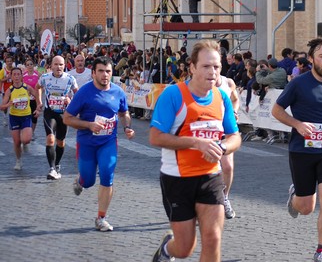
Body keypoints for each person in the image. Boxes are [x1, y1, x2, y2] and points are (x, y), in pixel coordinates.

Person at [149, 39, 241, 262]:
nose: (213, 72)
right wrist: (196, 143)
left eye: (217, 67)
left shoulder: (221, 98)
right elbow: (155, 137)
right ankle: (167, 250)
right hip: (177, 179)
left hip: (210, 177)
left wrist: (223, 147)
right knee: (184, 248)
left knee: (213, 238)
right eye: (206, 66)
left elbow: (235, 136)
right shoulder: (173, 95)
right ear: (192, 67)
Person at [271, 37, 322, 262]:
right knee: (306, 207)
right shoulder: (299, 83)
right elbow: (276, 110)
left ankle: (320, 250)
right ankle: (295, 195)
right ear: (311, 59)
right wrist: (297, 124)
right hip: (302, 150)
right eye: (321, 56)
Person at [63, 56, 134, 232]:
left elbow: (124, 113)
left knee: (107, 175)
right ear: (93, 73)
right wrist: (89, 125)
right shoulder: (84, 93)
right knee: (88, 181)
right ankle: (80, 180)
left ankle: (101, 218)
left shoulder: (118, 92)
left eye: (108, 71)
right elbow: (67, 118)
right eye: (101, 71)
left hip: (108, 142)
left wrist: (127, 127)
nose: (105, 75)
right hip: (87, 142)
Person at [36, 56, 79, 180]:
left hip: (64, 114)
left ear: (65, 65)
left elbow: (78, 95)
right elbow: (37, 87)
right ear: (52, 65)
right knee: (50, 138)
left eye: (61, 64)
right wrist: (39, 102)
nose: (59, 67)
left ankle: (57, 164)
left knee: (60, 141)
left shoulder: (70, 79)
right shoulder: (45, 78)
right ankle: (52, 168)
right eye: (56, 64)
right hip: (50, 112)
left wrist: (70, 101)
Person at [0, 67, 41, 170]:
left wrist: (38, 108)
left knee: (26, 140)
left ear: (22, 76)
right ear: (11, 77)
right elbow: (2, 107)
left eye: (19, 74)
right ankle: (18, 161)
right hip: (14, 117)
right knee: (17, 142)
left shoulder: (27, 88)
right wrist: (8, 104)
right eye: (14, 74)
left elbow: (37, 95)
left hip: (26, 116)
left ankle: (24, 142)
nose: (17, 76)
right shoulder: (10, 90)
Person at [215, 74, 240, 220]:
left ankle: (225, 197)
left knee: (228, 167)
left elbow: (235, 99)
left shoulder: (228, 82)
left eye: (216, 66)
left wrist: (234, 112)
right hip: (208, 131)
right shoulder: (200, 83)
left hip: (226, 130)